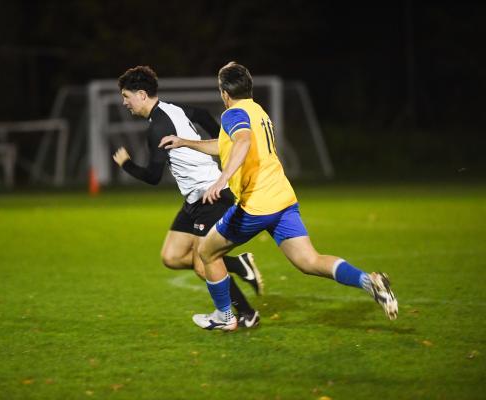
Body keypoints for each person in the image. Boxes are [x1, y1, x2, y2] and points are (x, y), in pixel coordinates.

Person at [160, 61, 398, 331]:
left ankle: (225, 316)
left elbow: (243, 141)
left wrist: (222, 179)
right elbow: (225, 144)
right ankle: (369, 281)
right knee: (309, 261)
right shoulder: (258, 110)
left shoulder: (232, 113)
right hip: (282, 200)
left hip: (255, 204)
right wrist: (185, 142)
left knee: (206, 252)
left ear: (224, 92)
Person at [112, 65, 263, 328]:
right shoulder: (173, 108)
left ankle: (246, 314)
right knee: (171, 257)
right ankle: (238, 265)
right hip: (194, 199)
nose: (125, 103)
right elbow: (203, 115)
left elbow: (153, 176)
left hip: (211, 196)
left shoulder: (158, 126)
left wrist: (126, 164)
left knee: (203, 263)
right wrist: (220, 139)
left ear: (142, 95)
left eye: (127, 96)